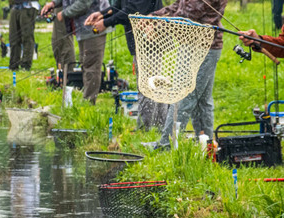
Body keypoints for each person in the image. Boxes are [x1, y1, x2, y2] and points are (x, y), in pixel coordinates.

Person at [147, 0, 228, 150]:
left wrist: (159, 25)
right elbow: (179, 6)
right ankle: (206, 145)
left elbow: (190, 13)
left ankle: (166, 145)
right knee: (202, 100)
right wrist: (154, 16)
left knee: (184, 95)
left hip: (204, 47)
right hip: (191, 44)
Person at [85, 0, 165, 130]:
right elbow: (119, 7)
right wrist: (102, 14)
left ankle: (146, 129)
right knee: (149, 85)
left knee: (148, 86)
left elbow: (131, 10)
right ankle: (157, 127)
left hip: (150, 40)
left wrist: (106, 23)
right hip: (139, 41)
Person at [41, 0, 110, 105]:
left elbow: (83, 3)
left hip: (95, 26)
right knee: (86, 64)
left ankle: (89, 104)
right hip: (83, 28)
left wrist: (64, 13)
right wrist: (53, 4)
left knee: (91, 66)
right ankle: (87, 101)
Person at [9, 0, 40, 71]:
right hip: (15, 6)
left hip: (29, 6)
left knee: (27, 37)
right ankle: (14, 65)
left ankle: (26, 65)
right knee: (13, 37)